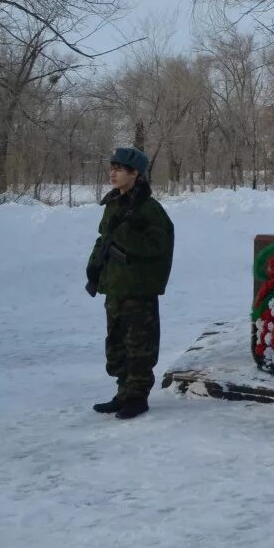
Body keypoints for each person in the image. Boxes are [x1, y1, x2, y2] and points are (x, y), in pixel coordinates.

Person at [85, 146, 174, 419]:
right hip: (116, 286)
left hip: (138, 288)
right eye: (111, 168)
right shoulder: (114, 203)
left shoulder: (148, 208)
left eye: (119, 169)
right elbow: (105, 239)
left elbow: (158, 245)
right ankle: (123, 392)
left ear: (135, 173)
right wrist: (94, 265)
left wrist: (127, 233)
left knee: (139, 345)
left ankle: (137, 397)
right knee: (116, 344)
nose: (112, 173)